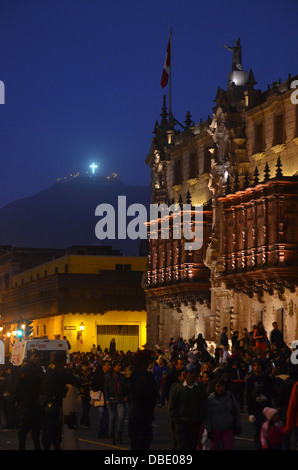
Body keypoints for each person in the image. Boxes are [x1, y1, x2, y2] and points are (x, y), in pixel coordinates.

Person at [39, 350, 83, 450]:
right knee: (54, 427)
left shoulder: (51, 367)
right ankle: (54, 445)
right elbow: (71, 379)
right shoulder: (59, 369)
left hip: (46, 401)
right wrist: (81, 381)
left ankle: (52, 445)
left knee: (49, 427)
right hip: (53, 402)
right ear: (62, 360)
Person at [168, 363, 207, 450]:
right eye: (190, 373)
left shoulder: (199, 388)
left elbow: (203, 405)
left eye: (194, 373)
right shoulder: (178, 389)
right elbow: (172, 407)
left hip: (194, 425)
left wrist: (200, 419)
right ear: (185, 375)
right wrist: (177, 422)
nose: (192, 375)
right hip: (181, 424)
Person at [126, 349, 157, 450]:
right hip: (142, 413)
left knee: (136, 443)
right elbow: (149, 393)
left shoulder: (131, 372)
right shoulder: (143, 375)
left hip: (136, 412)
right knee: (142, 443)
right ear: (146, 361)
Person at [14, 349, 44, 450]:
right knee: (24, 428)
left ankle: (37, 447)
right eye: (34, 356)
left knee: (36, 428)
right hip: (26, 401)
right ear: (30, 357)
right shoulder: (25, 369)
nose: (36, 358)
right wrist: (17, 399)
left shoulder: (38, 369)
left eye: (37, 356)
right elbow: (19, 385)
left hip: (36, 401)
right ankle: (22, 447)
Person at [246, 358, 274, 449]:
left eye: (258, 365)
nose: (256, 367)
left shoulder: (267, 379)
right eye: (254, 365)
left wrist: (266, 398)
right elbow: (248, 396)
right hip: (255, 409)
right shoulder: (250, 380)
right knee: (257, 433)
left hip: (266, 409)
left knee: (266, 433)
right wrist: (250, 413)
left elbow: (272, 392)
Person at [206, 378, 241, 450]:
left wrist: (238, 425)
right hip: (215, 429)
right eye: (218, 386)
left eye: (222, 386)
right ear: (214, 387)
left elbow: (236, 411)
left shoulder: (230, 396)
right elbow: (208, 415)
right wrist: (209, 430)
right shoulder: (211, 399)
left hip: (228, 428)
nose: (221, 388)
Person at [105, 360, 127, 444]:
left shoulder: (122, 376)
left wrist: (125, 396)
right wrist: (107, 399)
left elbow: (125, 387)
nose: (119, 367)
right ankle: (112, 436)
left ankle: (119, 435)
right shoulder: (108, 377)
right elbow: (106, 388)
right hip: (111, 398)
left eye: (120, 365)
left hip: (120, 398)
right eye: (118, 365)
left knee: (121, 417)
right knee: (112, 418)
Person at [90, 358, 111, 439]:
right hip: (101, 396)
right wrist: (100, 389)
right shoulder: (98, 374)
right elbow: (93, 385)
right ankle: (100, 431)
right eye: (107, 365)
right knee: (101, 414)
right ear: (103, 366)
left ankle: (105, 431)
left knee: (106, 415)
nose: (109, 367)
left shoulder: (108, 374)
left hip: (107, 396)